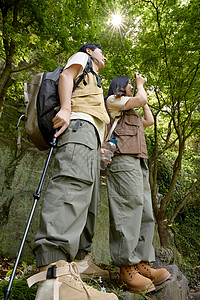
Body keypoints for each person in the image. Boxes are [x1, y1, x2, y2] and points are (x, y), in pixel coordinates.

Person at [28, 43, 118, 300]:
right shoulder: (82, 58)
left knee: (86, 199)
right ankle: (53, 277)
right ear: (90, 51)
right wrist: (65, 109)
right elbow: (67, 76)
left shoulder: (96, 78)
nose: (104, 56)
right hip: (77, 125)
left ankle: (71, 271)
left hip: (89, 136)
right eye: (102, 51)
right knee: (71, 185)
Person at [104, 75, 171, 294]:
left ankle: (142, 263)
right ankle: (126, 267)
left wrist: (144, 98)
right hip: (123, 161)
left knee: (146, 212)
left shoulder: (132, 109)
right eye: (130, 85)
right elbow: (138, 99)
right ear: (120, 87)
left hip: (139, 162)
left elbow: (149, 120)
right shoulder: (114, 102)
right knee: (128, 210)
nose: (134, 87)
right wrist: (140, 89)